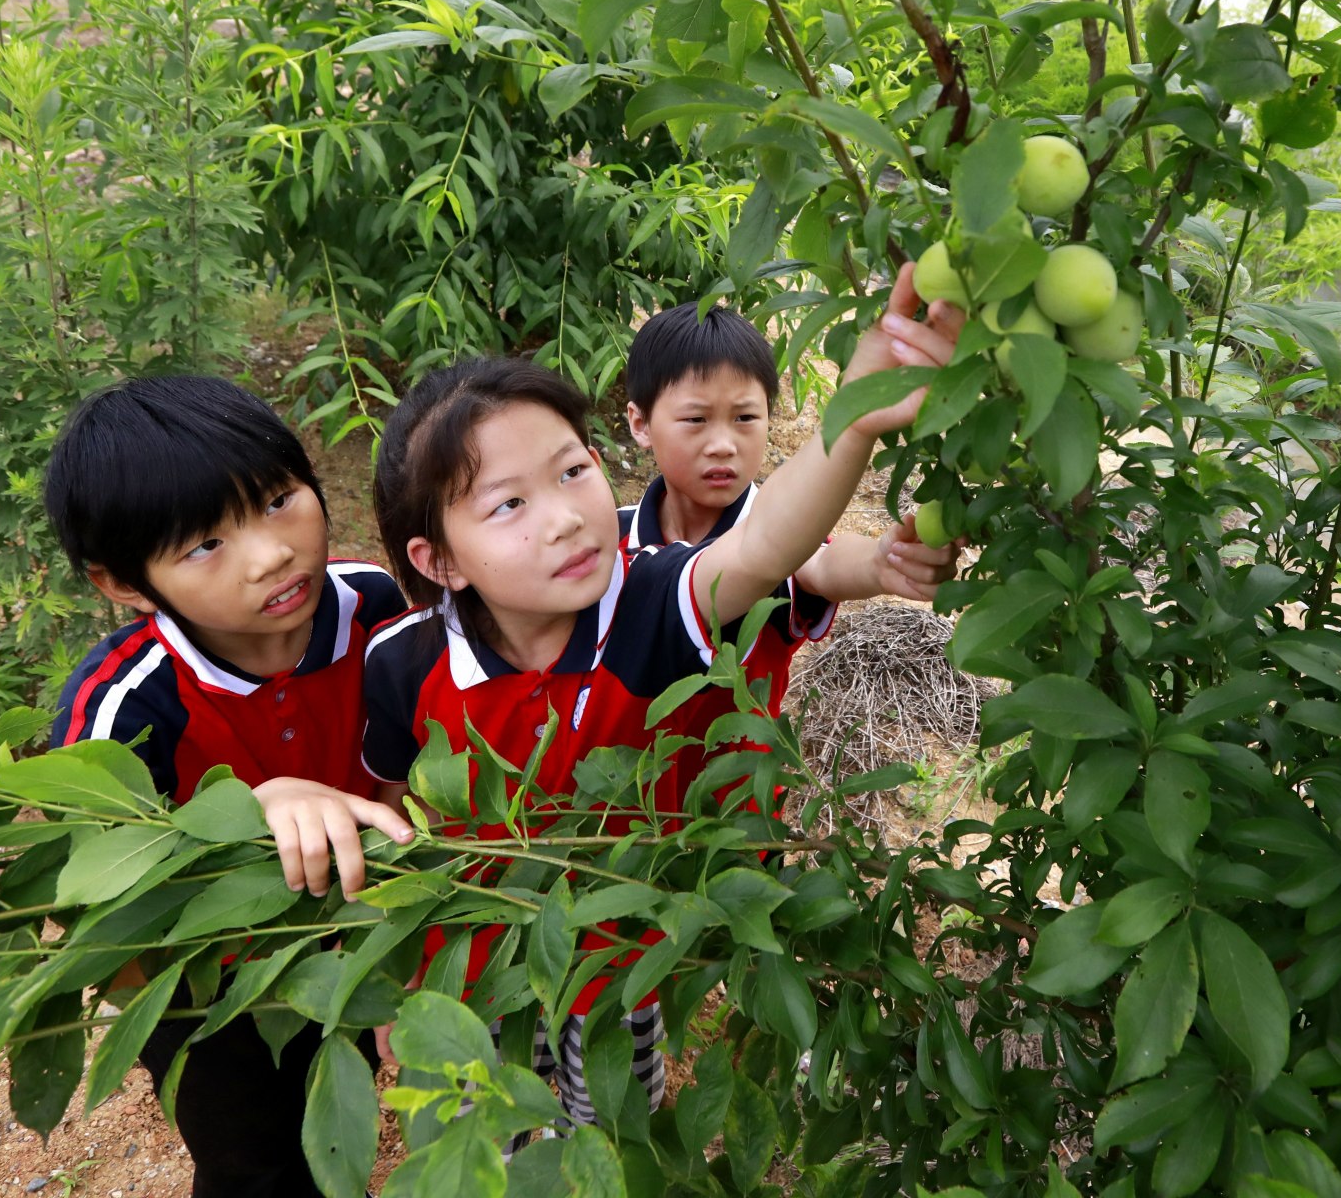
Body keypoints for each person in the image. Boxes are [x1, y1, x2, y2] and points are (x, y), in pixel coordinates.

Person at [360, 263, 959, 1151]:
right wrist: (390, 959)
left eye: (571, 472)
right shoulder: (404, 663)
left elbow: (763, 545)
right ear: (440, 560)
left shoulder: (648, 602)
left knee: (610, 1127)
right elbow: (381, 809)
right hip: (475, 964)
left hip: (619, 954)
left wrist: (857, 416)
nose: (563, 518)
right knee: (483, 1141)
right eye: (509, 504)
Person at [47, 374, 414, 1198]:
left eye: (280, 499)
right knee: (252, 1156)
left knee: (335, 1100)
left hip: (348, 936)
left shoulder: (377, 608)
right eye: (204, 545)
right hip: (208, 992)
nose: (271, 553)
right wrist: (247, 813)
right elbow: (90, 894)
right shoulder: (122, 708)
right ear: (125, 584)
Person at [619, 300, 960, 816]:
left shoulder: (779, 534)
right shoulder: (610, 539)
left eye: (745, 418)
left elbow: (820, 564)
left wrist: (877, 564)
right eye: (695, 419)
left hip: (735, 826)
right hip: (616, 815)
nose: (723, 444)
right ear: (640, 424)